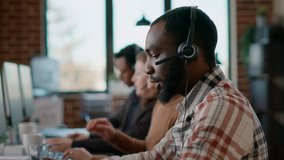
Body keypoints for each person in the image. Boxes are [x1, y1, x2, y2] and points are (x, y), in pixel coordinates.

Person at [64, 6, 268, 160]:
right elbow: (156, 156)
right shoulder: (194, 105)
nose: (147, 68)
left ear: (188, 53)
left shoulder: (221, 106)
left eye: (154, 55)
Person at [62, 52, 183, 160]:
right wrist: (113, 136)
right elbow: (146, 148)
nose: (133, 78)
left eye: (139, 73)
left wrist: (93, 158)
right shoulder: (160, 103)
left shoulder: (180, 109)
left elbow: (153, 156)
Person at [47, 44, 155, 155]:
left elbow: (127, 141)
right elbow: (114, 121)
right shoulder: (135, 95)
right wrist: (89, 136)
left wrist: (75, 144)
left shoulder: (153, 104)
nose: (120, 77)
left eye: (124, 71)